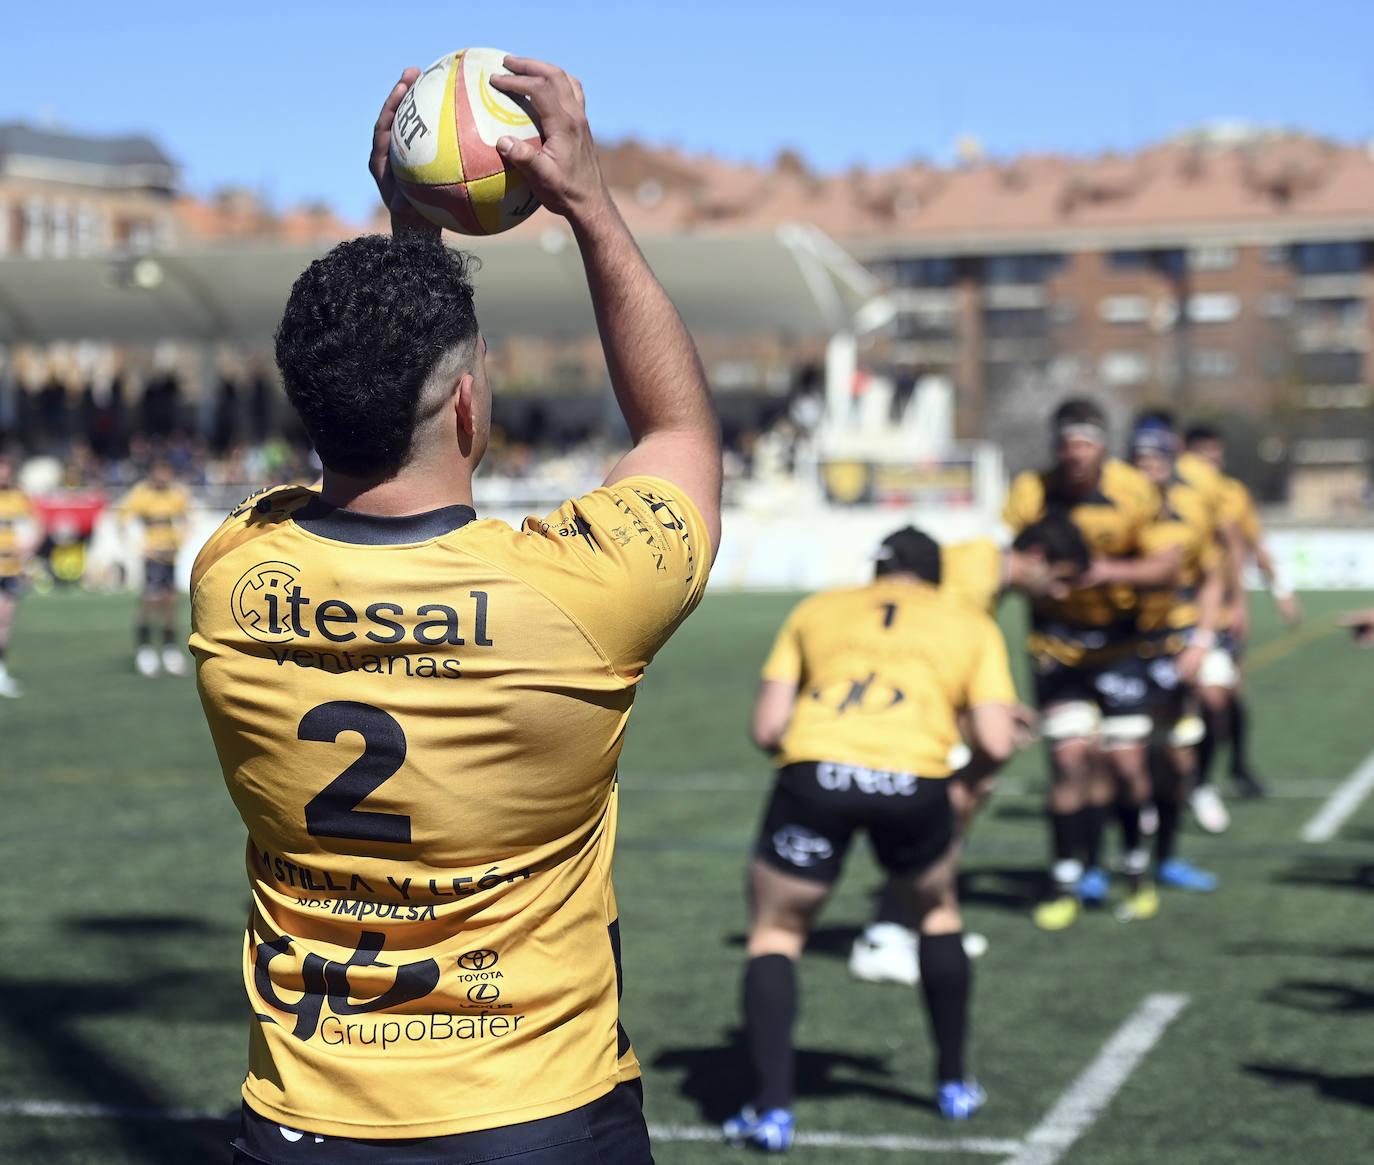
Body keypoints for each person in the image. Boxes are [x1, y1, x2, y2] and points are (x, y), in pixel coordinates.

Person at [190, 58, 721, 1164]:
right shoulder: (577, 596)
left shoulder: (233, 574)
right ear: (472, 399)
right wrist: (589, 207)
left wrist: (408, 219)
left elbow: (381, 385)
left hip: (302, 1124)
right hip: (530, 1119)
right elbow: (678, 433)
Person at [723, 527, 1019, 1148]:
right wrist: (966, 782)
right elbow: (996, 740)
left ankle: (772, 1109)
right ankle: (953, 1083)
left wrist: (828, 756)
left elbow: (765, 727)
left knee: (776, 932)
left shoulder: (818, 607)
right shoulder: (968, 621)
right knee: (937, 915)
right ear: (935, 576)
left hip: (816, 773)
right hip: (917, 780)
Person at [848, 515, 1089, 984]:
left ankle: (914, 925)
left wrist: (997, 707)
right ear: (1036, 557)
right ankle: (890, 933)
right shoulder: (974, 584)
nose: (1060, 595)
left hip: (892, 699)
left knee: (964, 794)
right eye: (1060, 580)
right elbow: (927, 656)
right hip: (897, 710)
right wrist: (982, 721)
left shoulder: (983, 567)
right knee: (943, 808)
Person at [1002, 398, 1182, 931]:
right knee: (1068, 760)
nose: (1074, 454)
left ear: (1102, 445)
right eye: (1066, 444)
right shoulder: (1031, 491)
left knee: (1127, 767)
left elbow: (1168, 564)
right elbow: (1007, 556)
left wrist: (1107, 570)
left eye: (1084, 444)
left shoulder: (1134, 491)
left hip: (1121, 647)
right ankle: (1066, 880)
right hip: (1056, 648)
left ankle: (1134, 870)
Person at [1123, 417, 1226, 915]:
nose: (1148, 470)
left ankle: (1166, 856)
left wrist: (1200, 642)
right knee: (1120, 762)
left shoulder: (1191, 512)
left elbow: (1212, 577)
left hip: (1173, 648)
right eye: (1139, 461)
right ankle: (1110, 864)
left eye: (1155, 460)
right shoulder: (1116, 513)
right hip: (1118, 651)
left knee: (1175, 758)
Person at [1184, 423, 1301, 802]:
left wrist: (1260, 598)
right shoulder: (1169, 493)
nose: (1211, 465)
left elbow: (1248, 547)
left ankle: (1232, 766)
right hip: (1172, 614)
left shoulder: (1231, 495)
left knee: (1228, 697)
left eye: (1217, 457)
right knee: (1192, 701)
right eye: (1204, 458)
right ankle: (1184, 781)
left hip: (1215, 614)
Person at [117, 457, 191, 676]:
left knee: (170, 603)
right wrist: (139, 547)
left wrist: (180, 541)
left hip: (170, 558)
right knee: (149, 602)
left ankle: (170, 652)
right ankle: (145, 651)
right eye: (159, 471)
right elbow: (122, 520)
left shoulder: (176, 494)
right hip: (152, 558)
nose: (163, 476)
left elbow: (186, 519)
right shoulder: (142, 494)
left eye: (166, 471)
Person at [0, 455, 36, 698]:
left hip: (11, 569)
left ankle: (1, 673)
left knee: (3, 624)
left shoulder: (19, 497)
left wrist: (28, 547)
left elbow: (39, 522)